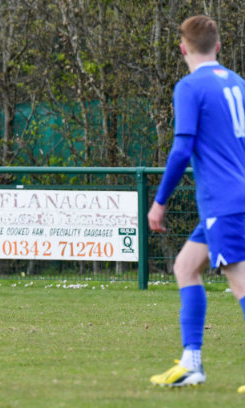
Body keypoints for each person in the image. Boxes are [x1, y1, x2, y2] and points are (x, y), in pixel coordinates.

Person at [147, 15, 245, 392]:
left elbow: (181, 150)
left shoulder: (189, 87)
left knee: (239, 281)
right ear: (218, 46)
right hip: (229, 201)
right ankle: (191, 363)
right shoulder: (238, 83)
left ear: (183, 48)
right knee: (185, 266)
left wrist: (159, 202)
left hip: (224, 202)